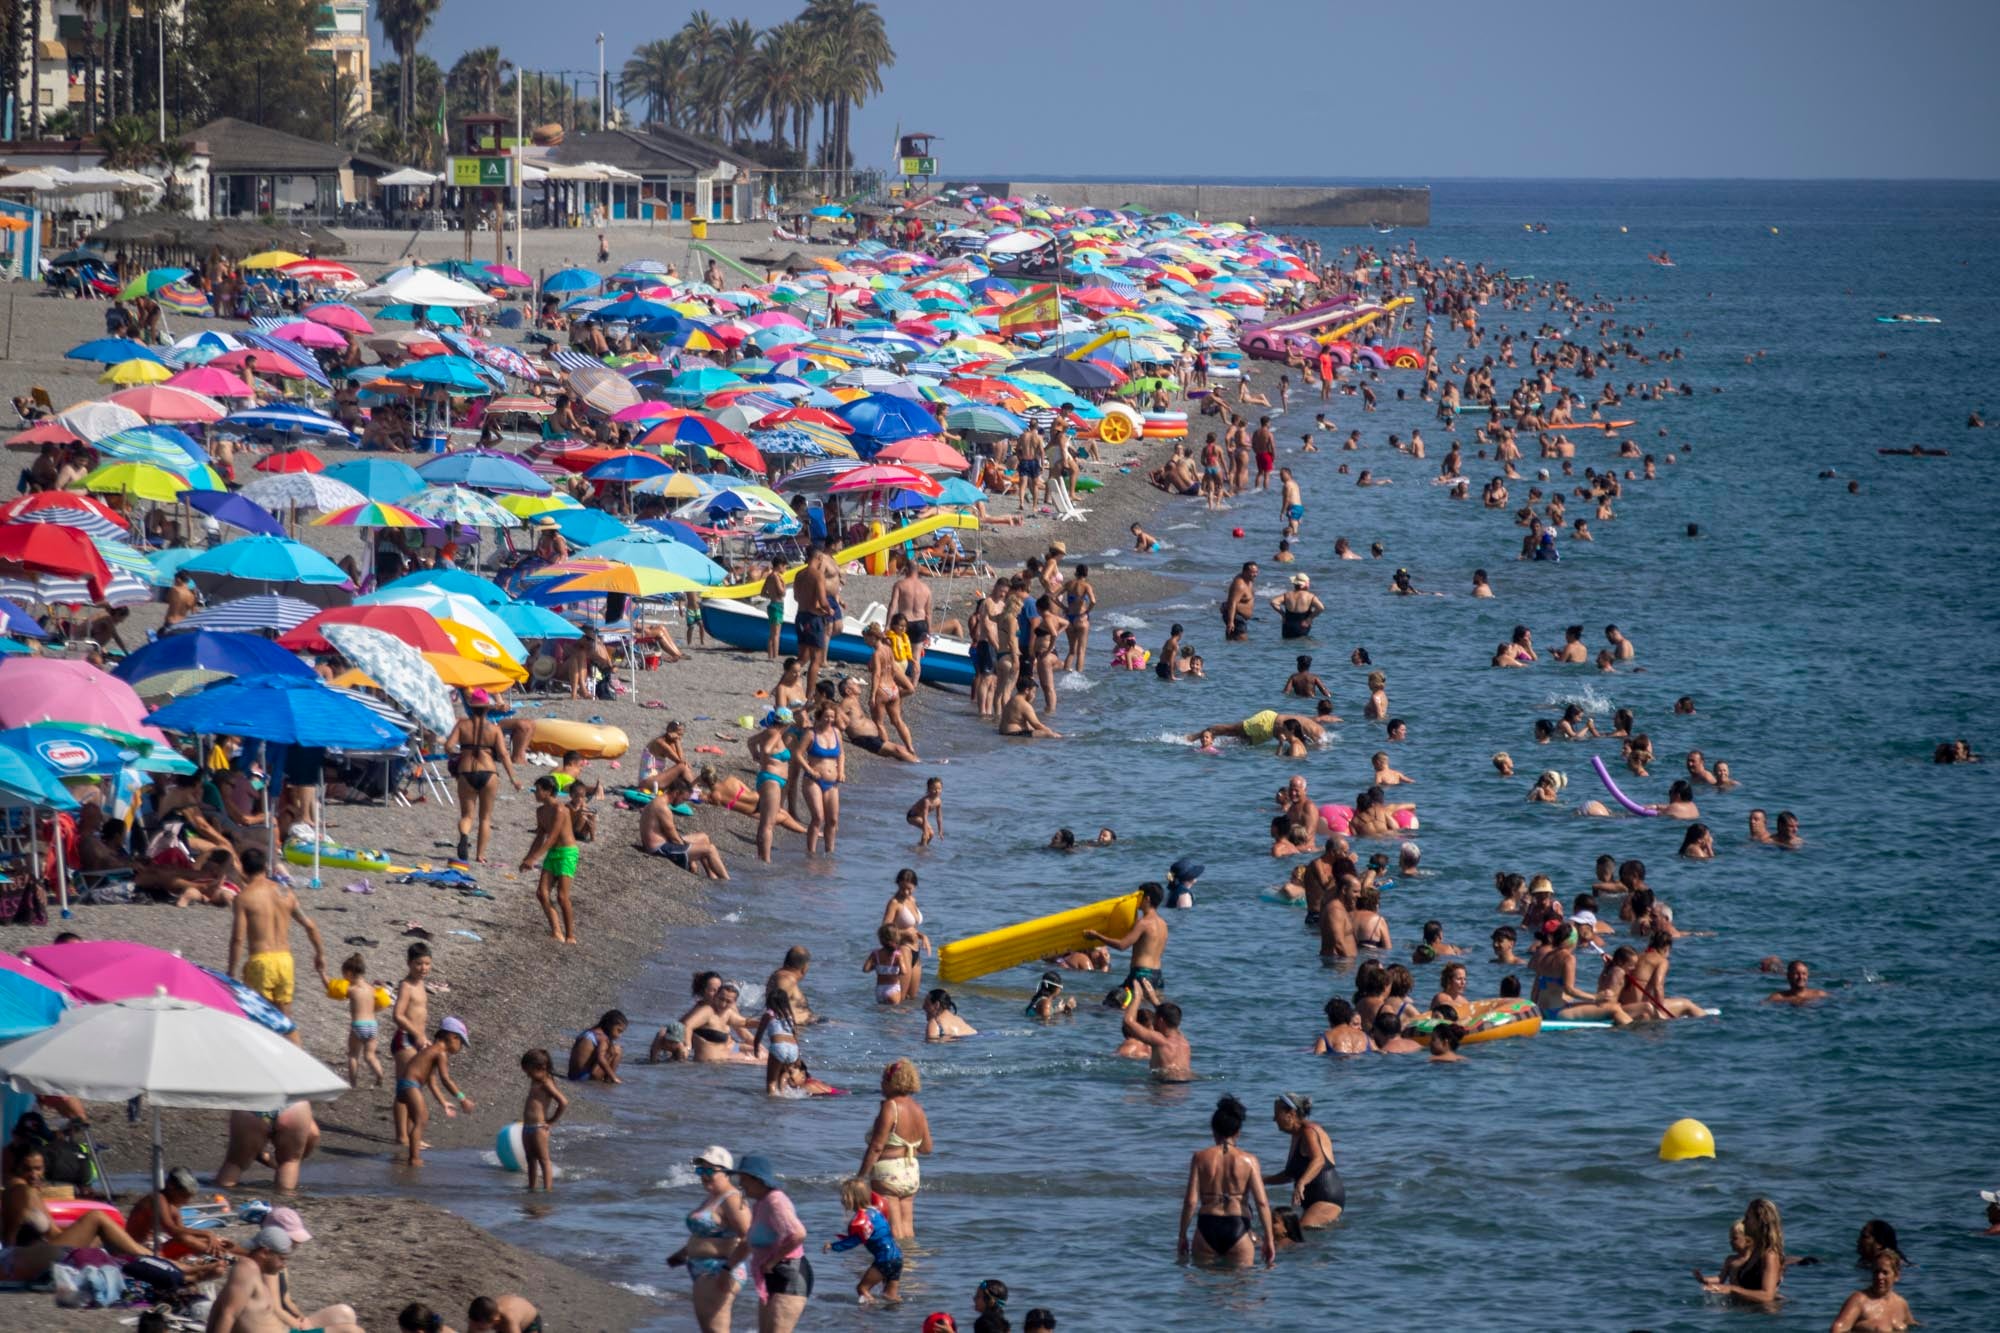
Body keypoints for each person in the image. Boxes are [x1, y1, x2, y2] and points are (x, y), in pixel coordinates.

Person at [227, 847, 328, 1035]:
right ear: (265, 867)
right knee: (286, 1020)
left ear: (243, 868)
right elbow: (310, 926)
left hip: (261, 961)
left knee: (259, 1019)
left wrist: (231, 971)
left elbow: (238, 939)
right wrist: (320, 954)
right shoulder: (285, 892)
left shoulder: (244, 898)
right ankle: (296, 1059)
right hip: (285, 960)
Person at [1178, 1094, 1277, 1268]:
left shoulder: (1200, 1158)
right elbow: (1262, 1203)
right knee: (1241, 1290)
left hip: (1206, 1226)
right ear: (1238, 1131)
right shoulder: (1250, 1160)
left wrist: (1182, 1236)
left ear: (1213, 1129)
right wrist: (1269, 1239)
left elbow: (1190, 1202)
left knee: (1206, 1291)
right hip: (1238, 1227)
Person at [671, 1145, 751, 1332]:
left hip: (719, 1271)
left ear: (726, 1172)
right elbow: (703, 1235)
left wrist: (726, 1270)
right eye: (700, 1170)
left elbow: (748, 1237)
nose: (703, 1175)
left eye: (709, 1170)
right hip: (704, 1270)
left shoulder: (732, 1199)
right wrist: (678, 1257)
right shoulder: (713, 1197)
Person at [728, 1154, 810, 1333]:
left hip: (789, 1274)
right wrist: (727, 1269)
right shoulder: (761, 1203)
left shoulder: (775, 1201)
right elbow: (749, 1242)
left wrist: (773, 1261)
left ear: (757, 1179)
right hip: (773, 1276)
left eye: (743, 1179)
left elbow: (798, 1234)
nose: (740, 1184)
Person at [858, 1059, 931, 1239]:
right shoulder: (918, 1109)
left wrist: (860, 1177)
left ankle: (895, 1263)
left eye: (884, 1079)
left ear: (892, 1082)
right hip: (912, 1172)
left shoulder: (891, 1107)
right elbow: (927, 1148)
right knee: (907, 1227)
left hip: (888, 1173)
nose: (881, 1083)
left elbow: (876, 1147)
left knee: (893, 1228)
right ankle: (910, 1261)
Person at [400, 1017, 472, 1167]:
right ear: (453, 1037)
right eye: (460, 1042)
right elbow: (445, 1079)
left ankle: (411, 1151)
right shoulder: (440, 1053)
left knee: (415, 1120)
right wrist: (462, 1098)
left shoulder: (429, 1050)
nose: (460, 1048)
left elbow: (432, 1082)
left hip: (405, 1085)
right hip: (411, 1085)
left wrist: (443, 1103)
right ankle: (414, 1159)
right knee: (422, 1119)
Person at [1265, 1093, 1344, 1227]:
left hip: (1326, 1198)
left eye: (1277, 1114)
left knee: (1297, 1236)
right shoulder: (1296, 1135)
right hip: (1310, 1201)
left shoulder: (1309, 1131)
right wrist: (1261, 1181)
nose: (1274, 1119)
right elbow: (1289, 1175)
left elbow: (1319, 1160)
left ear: (1291, 1113)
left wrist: (1301, 1183)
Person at [1086, 881, 1168, 1006]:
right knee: (1147, 1008)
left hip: (1141, 974)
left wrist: (1097, 936)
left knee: (1111, 1004)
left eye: (1139, 896)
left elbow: (1122, 945)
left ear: (1147, 898)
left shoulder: (1143, 923)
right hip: (1157, 975)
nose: (1136, 899)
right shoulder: (1163, 924)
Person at [823, 1177, 903, 1304]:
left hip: (885, 1259)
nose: (842, 1200)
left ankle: (870, 1316)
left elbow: (854, 1241)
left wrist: (833, 1246)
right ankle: (897, 1318)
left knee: (862, 1288)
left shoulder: (863, 1220)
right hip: (897, 1257)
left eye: (844, 1196)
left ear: (851, 1199)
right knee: (890, 1296)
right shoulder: (876, 1212)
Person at [520, 776, 580, 943]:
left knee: (562, 896)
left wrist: (534, 858)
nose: (535, 793)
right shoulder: (540, 811)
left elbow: (553, 837)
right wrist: (528, 857)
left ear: (547, 791)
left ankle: (570, 936)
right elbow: (540, 836)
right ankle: (556, 931)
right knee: (541, 893)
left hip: (567, 852)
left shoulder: (561, 810)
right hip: (552, 852)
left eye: (538, 790)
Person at [1695, 1198, 1786, 1305]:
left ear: (1759, 1221)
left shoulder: (1770, 1255)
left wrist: (1732, 1289)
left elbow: (1767, 1296)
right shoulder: (1756, 1252)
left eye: (1747, 1218)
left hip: (1765, 1317)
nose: (1743, 1222)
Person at [518, 1048, 566, 1192]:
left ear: (542, 1068)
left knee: (544, 1160)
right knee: (530, 1159)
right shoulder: (535, 1081)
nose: (527, 1075)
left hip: (539, 1128)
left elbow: (563, 1102)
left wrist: (551, 1121)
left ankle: (548, 1189)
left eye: (529, 1071)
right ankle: (531, 1188)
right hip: (527, 1127)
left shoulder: (546, 1083)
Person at [1831, 1250, 1915, 1333]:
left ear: (1896, 1276)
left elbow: (1914, 1326)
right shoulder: (1859, 1300)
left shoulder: (1901, 1304)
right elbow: (1837, 1329)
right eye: (1876, 1272)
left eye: (1885, 1273)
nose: (1879, 1277)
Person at [568, 1010, 627, 1082]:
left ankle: (609, 1077)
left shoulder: (590, 1032)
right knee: (617, 1049)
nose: (619, 1036)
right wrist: (614, 1077)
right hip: (583, 1077)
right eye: (618, 1031)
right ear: (609, 1025)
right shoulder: (602, 1038)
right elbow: (600, 1058)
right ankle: (610, 1078)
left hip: (572, 1075)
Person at [1270, 574, 1324, 639]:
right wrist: (1309, 619)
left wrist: (1283, 614)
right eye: (1308, 582)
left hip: (1287, 626)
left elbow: (1273, 602)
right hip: (1302, 626)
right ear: (1305, 584)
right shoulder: (1310, 596)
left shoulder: (1287, 595)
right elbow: (1321, 608)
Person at [465, 1294, 542, 1333]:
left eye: (481, 1329)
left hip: (531, 1322)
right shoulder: (477, 1317)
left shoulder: (508, 1321)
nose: (478, 1330)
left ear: (495, 1321)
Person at [907, 775, 944, 848]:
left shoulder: (938, 801)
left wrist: (940, 831)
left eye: (939, 788)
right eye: (934, 789)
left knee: (931, 834)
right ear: (928, 789)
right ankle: (921, 849)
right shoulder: (926, 801)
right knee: (927, 833)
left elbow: (939, 817)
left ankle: (920, 847)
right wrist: (925, 831)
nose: (937, 791)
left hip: (920, 817)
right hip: (912, 816)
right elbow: (925, 816)